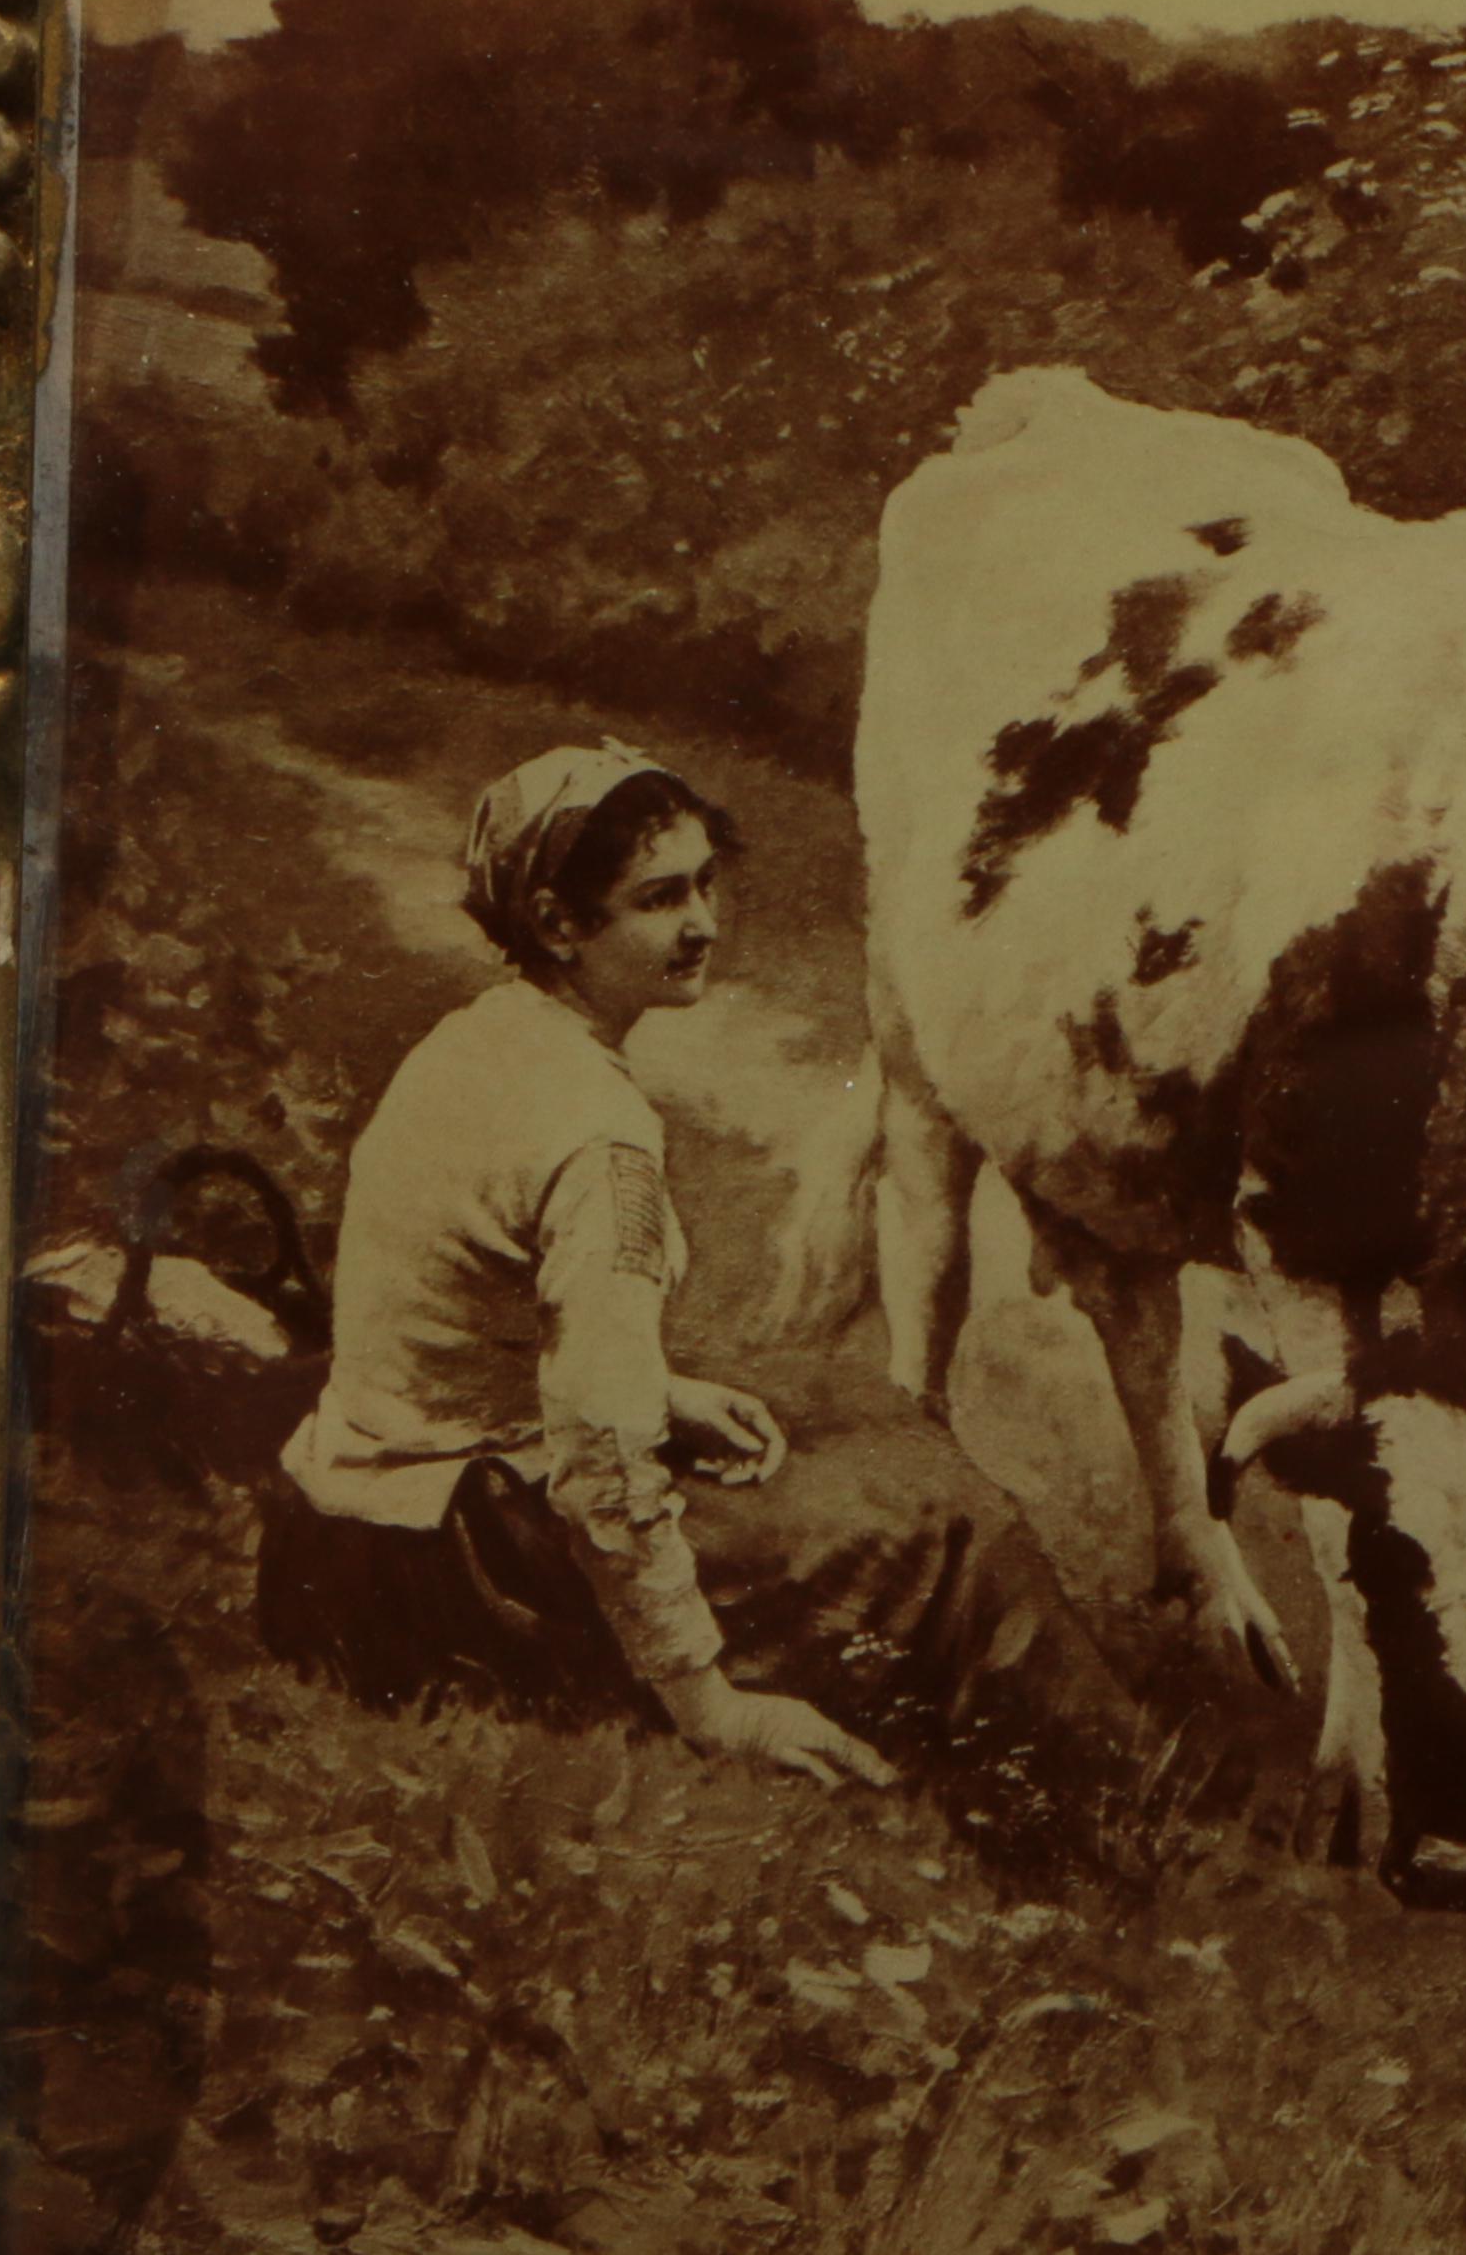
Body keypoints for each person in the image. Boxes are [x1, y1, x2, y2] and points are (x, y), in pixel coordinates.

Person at [254, 740, 1137, 1866]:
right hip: (463, 1575)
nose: (705, 923)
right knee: (952, 1527)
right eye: (659, 898)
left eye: (708, 884)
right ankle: (1115, 1820)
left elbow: (453, 1318)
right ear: (558, 922)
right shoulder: (596, 1132)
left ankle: (1006, 1758)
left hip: (332, 1545)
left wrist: (664, 1391)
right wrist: (707, 1696)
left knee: (851, 1417)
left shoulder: (474, 1043)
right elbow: (601, 1462)